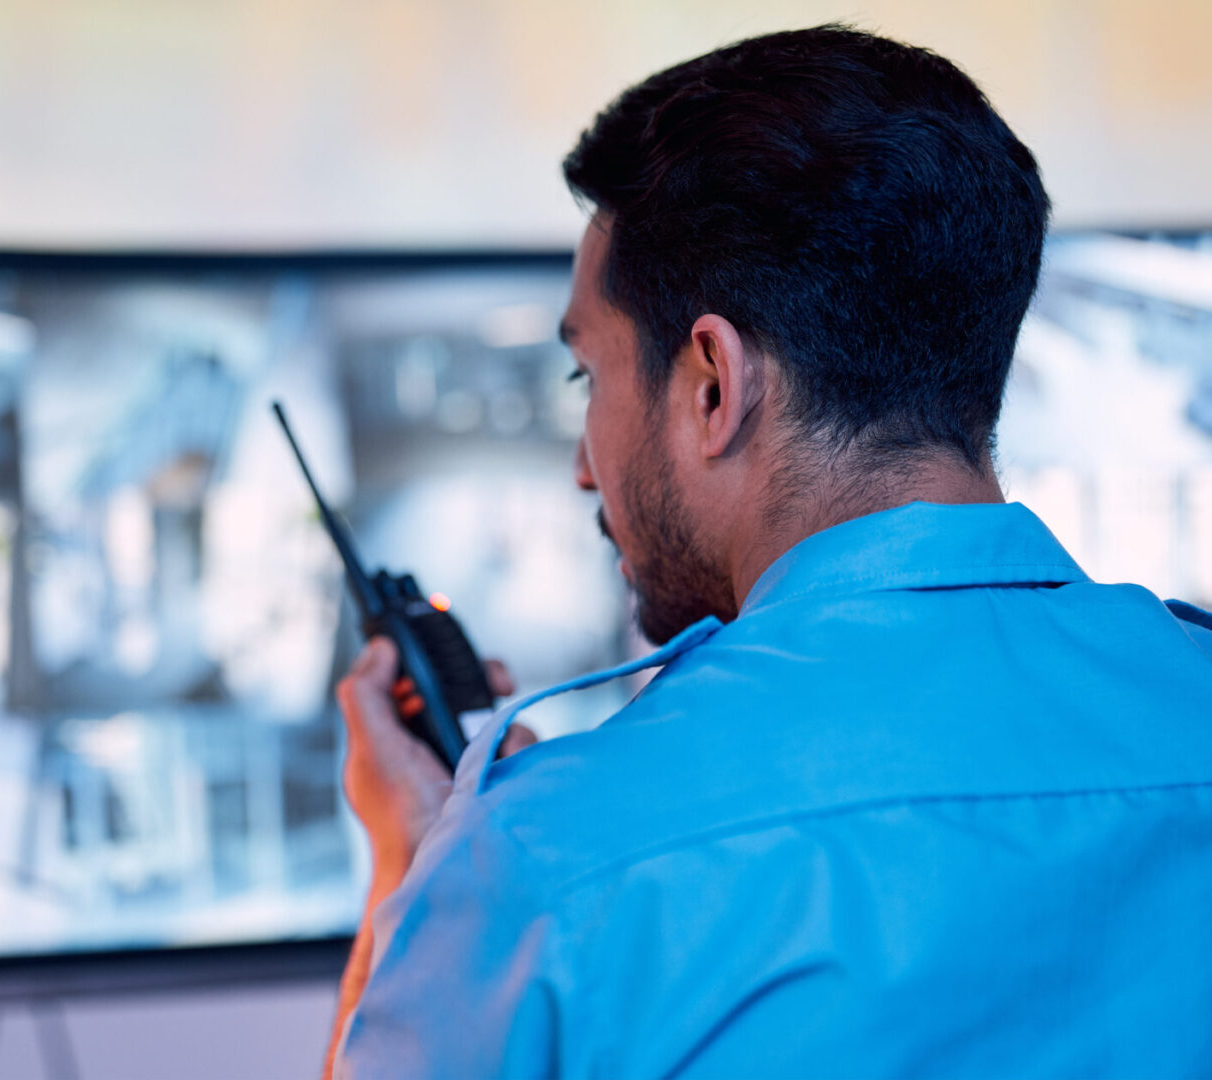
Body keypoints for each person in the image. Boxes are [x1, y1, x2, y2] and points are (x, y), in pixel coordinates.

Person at [324, 24, 1212, 1079]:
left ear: (713, 384)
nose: (582, 468)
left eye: (586, 379)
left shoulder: (545, 864)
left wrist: (416, 867)